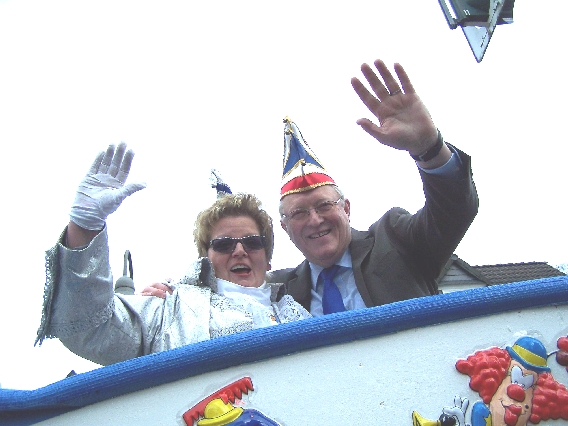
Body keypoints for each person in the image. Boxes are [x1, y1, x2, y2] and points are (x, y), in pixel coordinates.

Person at [142, 58, 478, 317]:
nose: (315, 220)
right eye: (299, 213)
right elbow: (228, 290)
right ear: (285, 228)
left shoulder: (394, 238)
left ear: (346, 209)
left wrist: (429, 148)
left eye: (324, 205)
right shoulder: (279, 292)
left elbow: (454, 211)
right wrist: (174, 296)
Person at [35, 144, 311, 366]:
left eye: (251, 243)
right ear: (206, 258)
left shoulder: (300, 315)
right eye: (224, 245)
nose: (239, 251)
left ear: (268, 257)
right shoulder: (169, 308)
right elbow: (90, 328)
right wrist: (83, 227)